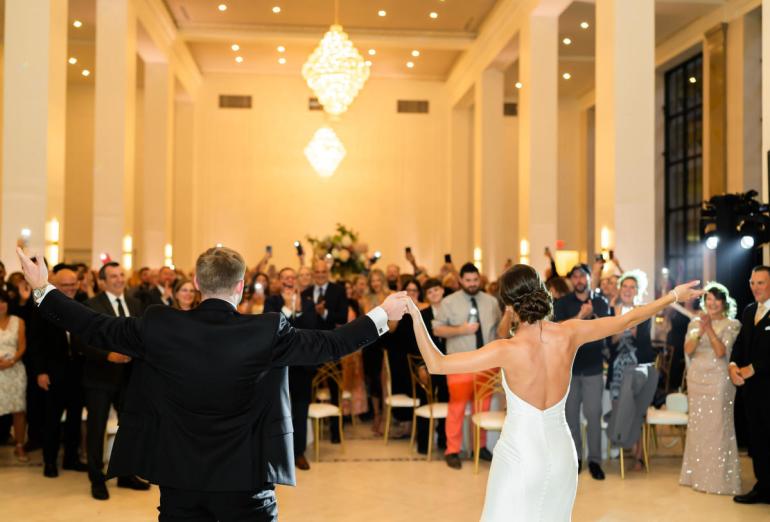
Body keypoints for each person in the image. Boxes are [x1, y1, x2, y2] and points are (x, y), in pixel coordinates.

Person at [18, 246, 407, 522]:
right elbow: (330, 344)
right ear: (239, 287)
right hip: (246, 481)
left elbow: (94, 327)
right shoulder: (267, 330)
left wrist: (42, 289)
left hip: (180, 479)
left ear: (198, 284)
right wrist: (381, 315)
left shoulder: (159, 325)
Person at [408, 264, 702, 521]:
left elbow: (436, 363)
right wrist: (673, 296)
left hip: (520, 456)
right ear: (541, 293)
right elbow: (627, 320)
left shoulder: (505, 349)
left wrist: (414, 313)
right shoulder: (570, 333)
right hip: (563, 454)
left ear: (508, 304)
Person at [77, 261, 150, 500]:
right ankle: (97, 479)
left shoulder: (136, 303)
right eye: (114, 276)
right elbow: (80, 342)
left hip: (131, 379)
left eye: (121, 275)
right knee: (97, 429)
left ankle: (125, 474)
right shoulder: (91, 305)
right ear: (102, 281)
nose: (119, 279)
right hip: (100, 377)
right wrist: (108, 355)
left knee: (129, 428)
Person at [433, 262, 501, 469]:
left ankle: (479, 448)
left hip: (487, 363)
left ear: (479, 279)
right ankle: (452, 450)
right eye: (468, 280)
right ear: (461, 280)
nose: (472, 284)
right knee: (457, 408)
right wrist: (461, 329)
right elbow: (438, 330)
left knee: (483, 408)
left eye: (475, 280)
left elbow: (498, 330)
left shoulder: (490, 302)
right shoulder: (449, 302)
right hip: (460, 363)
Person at [679, 282, 741, 495]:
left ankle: (718, 480)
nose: (712, 303)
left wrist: (709, 329)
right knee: (698, 426)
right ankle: (696, 476)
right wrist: (698, 330)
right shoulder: (694, 322)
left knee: (717, 427)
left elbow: (721, 352)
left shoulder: (732, 324)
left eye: (716, 299)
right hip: (696, 378)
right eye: (708, 299)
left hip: (718, 379)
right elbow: (688, 349)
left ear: (724, 302)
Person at [553, 264, 611, 480]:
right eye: (575, 276)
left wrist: (589, 317)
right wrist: (580, 315)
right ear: (571, 280)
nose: (578, 280)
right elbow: (559, 331)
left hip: (594, 368)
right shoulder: (562, 303)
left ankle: (595, 460)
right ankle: (575, 459)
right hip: (569, 368)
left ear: (589, 278)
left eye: (582, 276)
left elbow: (604, 329)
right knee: (570, 417)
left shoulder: (600, 302)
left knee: (593, 415)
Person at [29, 268, 87, 477]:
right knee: (51, 420)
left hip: (78, 373)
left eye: (73, 284)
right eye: (66, 285)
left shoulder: (83, 302)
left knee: (74, 418)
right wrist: (40, 372)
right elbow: (35, 343)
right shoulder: (43, 305)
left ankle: (71, 459)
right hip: (53, 373)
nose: (71, 288)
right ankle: (50, 461)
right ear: (55, 284)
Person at [264, 267, 317, 471]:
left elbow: (310, 328)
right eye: (285, 277)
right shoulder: (272, 302)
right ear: (279, 281)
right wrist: (287, 308)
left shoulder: (308, 302)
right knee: (279, 411)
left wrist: (299, 309)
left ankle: (299, 453)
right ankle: (278, 453)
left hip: (302, 367)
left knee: (301, 411)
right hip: (279, 367)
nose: (289, 280)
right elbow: (272, 330)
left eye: (292, 277)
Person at [729, 265, 770, 504]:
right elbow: (741, 343)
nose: (755, 288)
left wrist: (753, 368)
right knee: (758, 439)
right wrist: (733, 364)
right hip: (752, 391)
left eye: (761, 283)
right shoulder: (748, 310)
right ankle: (763, 486)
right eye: (752, 283)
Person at [0, 289, 29, 462]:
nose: (1, 305)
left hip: (15, 369)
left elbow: (23, 346)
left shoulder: (18, 321)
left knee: (18, 410)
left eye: (3, 301)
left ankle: (19, 445)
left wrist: (11, 361)